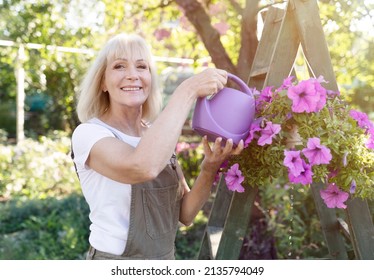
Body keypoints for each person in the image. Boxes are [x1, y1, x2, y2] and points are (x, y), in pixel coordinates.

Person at [71, 33, 244, 260]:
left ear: (149, 78)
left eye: (141, 67)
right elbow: (142, 167)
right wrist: (188, 90)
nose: (132, 75)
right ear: (103, 82)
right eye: (120, 66)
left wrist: (209, 168)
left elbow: (185, 214)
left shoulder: (156, 135)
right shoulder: (89, 134)